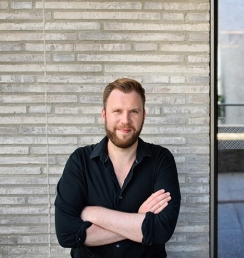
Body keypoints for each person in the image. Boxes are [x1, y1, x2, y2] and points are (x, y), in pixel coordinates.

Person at [55, 78, 181, 258]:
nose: (126, 120)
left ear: (143, 115)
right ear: (104, 115)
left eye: (134, 111)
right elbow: (67, 234)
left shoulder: (162, 159)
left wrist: (94, 213)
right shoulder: (80, 161)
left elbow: (162, 230)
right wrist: (139, 219)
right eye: (117, 111)